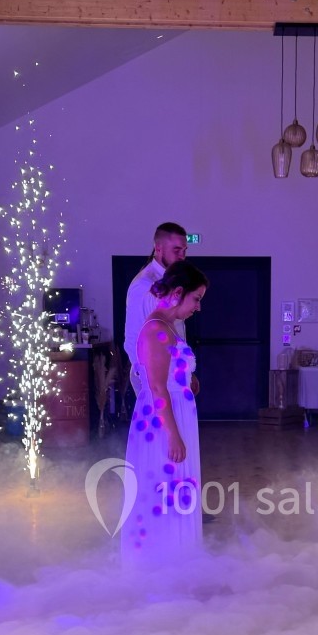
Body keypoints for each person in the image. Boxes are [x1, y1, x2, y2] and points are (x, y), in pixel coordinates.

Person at [121, 262, 208, 564]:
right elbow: (157, 388)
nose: (198, 308)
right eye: (196, 299)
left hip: (176, 412)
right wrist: (173, 435)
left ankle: (179, 556)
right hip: (161, 421)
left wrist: (187, 382)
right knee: (165, 485)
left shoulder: (169, 327)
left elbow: (170, 377)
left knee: (177, 487)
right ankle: (162, 559)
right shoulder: (156, 330)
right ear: (178, 293)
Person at [124, 222, 188, 392]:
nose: (182, 256)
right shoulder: (145, 284)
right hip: (154, 376)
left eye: (184, 250)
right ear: (158, 248)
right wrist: (148, 378)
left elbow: (175, 328)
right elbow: (133, 337)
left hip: (171, 372)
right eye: (176, 250)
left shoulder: (170, 279)